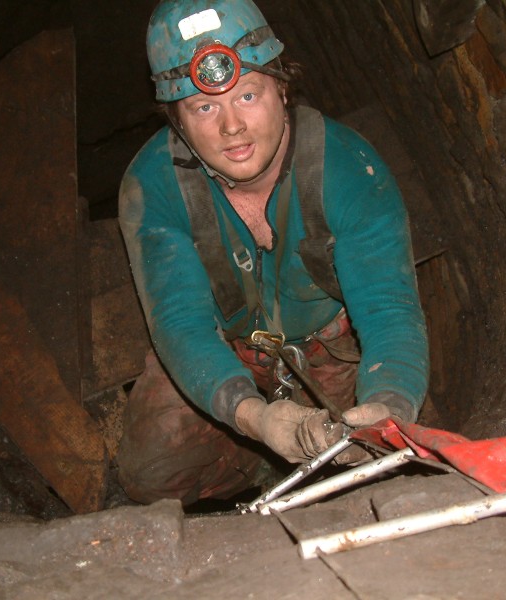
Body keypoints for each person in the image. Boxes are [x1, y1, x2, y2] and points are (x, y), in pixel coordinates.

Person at [117, 0, 429, 505]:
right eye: (203, 107)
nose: (231, 127)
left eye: (248, 95)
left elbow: (390, 310)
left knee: (397, 457)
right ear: (175, 119)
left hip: (331, 349)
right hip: (227, 349)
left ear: (282, 87)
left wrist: (387, 403)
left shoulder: (348, 169)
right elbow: (181, 323)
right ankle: (261, 471)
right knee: (151, 476)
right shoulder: (154, 186)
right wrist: (254, 417)